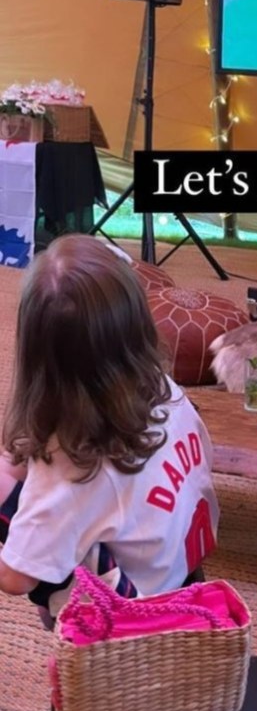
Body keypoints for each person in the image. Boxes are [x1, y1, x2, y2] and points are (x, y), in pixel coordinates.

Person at [0, 234, 219, 621]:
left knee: (24, 519)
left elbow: (17, 579)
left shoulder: (72, 473)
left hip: (126, 617)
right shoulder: (163, 389)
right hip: (174, 570)